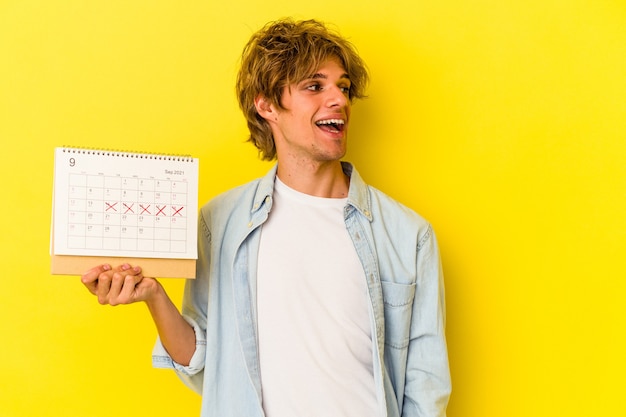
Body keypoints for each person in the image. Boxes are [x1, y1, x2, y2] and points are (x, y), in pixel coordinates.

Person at [81, 18, 451, 417]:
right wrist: (153, 295)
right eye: (315, 86)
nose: (339, 100)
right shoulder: (220, 223)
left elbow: (426, 387)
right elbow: (201, 362)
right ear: (267, 105)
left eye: (342, 87)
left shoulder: (408, 236)